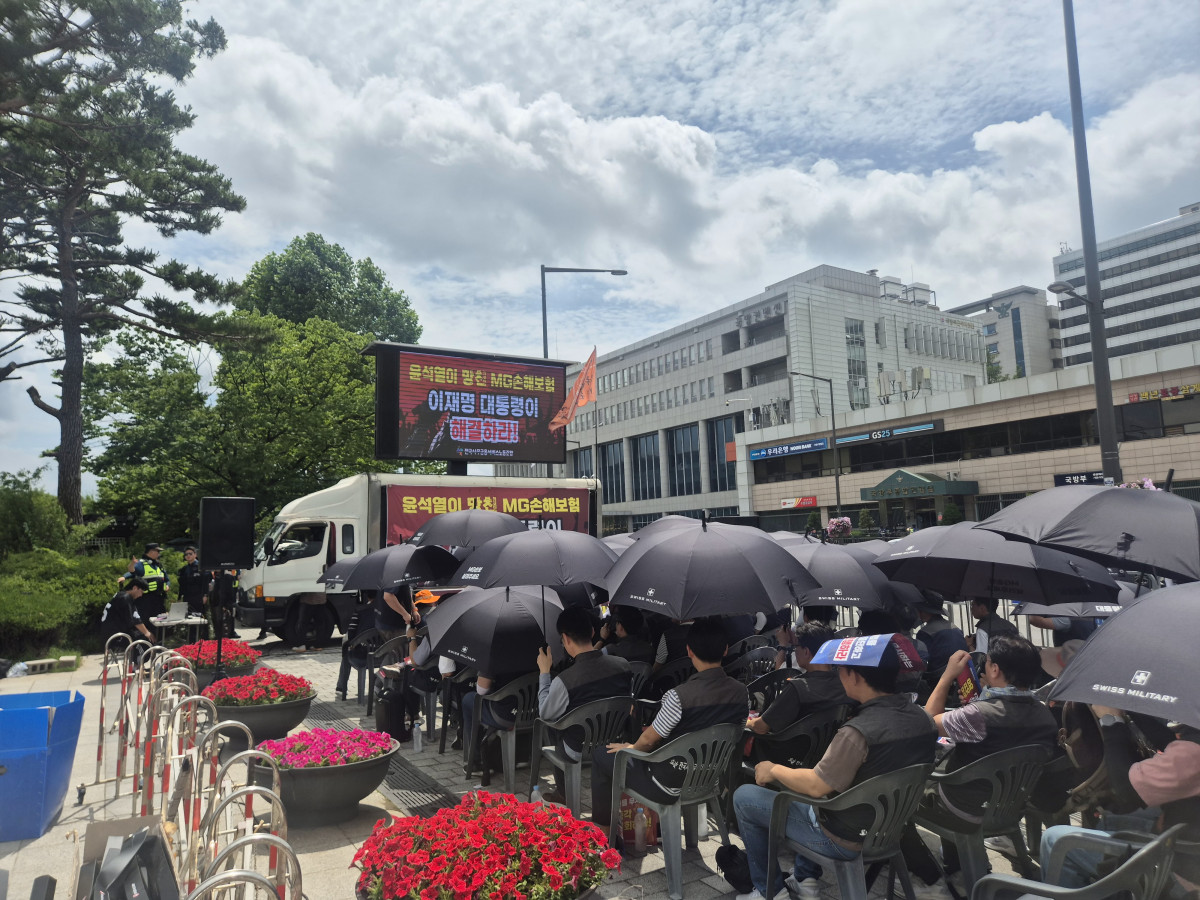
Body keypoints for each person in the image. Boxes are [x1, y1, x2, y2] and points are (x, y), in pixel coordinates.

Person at [730, 633, 937, 900]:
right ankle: (805, 880)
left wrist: (772, 769)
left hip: (843, 836)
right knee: (809, 788)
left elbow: (817, 786)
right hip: (891, 828)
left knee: (745, 797)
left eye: (842, 670)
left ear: (855, 676)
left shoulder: (858, 732)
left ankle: (767, 890)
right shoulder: (924, 718)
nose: (838, 674)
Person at [899, 635, 1059, 899]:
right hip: (1009, 808)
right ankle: (960, 871)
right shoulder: (1044, 713)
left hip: (964, 809)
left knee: (900, 800)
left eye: (988, 663)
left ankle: (930, 881)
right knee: (954, 786)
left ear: (995, 669)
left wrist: (947, 676)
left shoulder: (979, 715)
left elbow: (926, 721)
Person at [591, 616, 749, 827]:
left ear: (689, 651)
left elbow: (647, 741)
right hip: (710, 779)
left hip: (667, 785)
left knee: (602, 754)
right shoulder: (742, 693)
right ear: (726, 650)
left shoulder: (679, 696)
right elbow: (736, 733)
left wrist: (630, 747)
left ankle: (602, 828)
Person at [1040, 710, 1200, 897]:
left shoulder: (1193, 753)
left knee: (1055, 839)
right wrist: (1131, 708)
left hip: (1177, 871)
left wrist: (1111, 722)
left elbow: (1125, 788)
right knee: (1111, 818)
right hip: (1182, 837)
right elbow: (1171, 744)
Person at [536, 605, 633, 803]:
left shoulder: (564, 680)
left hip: (578, 748)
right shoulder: (623, 665)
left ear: (565, 639)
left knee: (552, 727)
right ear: (592, 631)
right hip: (613, 741)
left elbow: (545, 714)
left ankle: (563, 792)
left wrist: (544, 672)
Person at [749, 623, 846, 738]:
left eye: (796, 647)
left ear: (806, 651)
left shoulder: (798, 688)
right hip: (827, 747)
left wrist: (746, 721)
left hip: (786, 751)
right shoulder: (845, 683)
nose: (795, 651)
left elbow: (761, 727)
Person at [911, 594, 969, 677]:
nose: (919, 614)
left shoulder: (924, 633)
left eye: (921, 611)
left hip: (939, 676)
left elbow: (922, 660)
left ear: (928, 612)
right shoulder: (955, 627)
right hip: (962, 671)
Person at [121, 542, 169, 622]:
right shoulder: (141, 564)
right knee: (146, 621)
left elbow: (167, 579)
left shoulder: (158, 565)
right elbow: (132, 571)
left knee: (160, 621)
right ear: (151, 551)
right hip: (146, 599)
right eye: (158, 551)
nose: (159, 553)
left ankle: (159, 634)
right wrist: (124, 577)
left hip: (159, 599)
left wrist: (167, 585)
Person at [100, 577, 155, 643]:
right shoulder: (125, 598)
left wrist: (146, 632)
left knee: (144, 633)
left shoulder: (122, 595)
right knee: (145, 640)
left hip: (110, 632)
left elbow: (136, 617)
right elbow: (134, 621)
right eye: (141, 592)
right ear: (135, 588)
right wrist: (147, 633)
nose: (141, 595)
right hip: (114, 636)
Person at [177, 546, 209, 622]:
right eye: (186, 554)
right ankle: (191, 634)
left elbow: (205, 582)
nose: (188, 556)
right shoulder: (184, 569)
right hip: (187, 597)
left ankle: (201, 634)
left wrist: (205, 595)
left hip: (198, 596)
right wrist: (179, 598)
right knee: (189, 618)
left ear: (195, 555)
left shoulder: (201, 567)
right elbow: (182, 585)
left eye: (190, 554)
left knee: (200, 617)